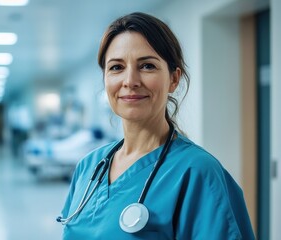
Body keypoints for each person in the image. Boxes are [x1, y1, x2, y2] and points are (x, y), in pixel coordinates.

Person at [57, 12, 255, 239]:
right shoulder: (89, 166)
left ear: (174, 79)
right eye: (116, 67)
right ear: (105, 79)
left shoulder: (198, 172)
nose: (130, 81)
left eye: (147, 66)